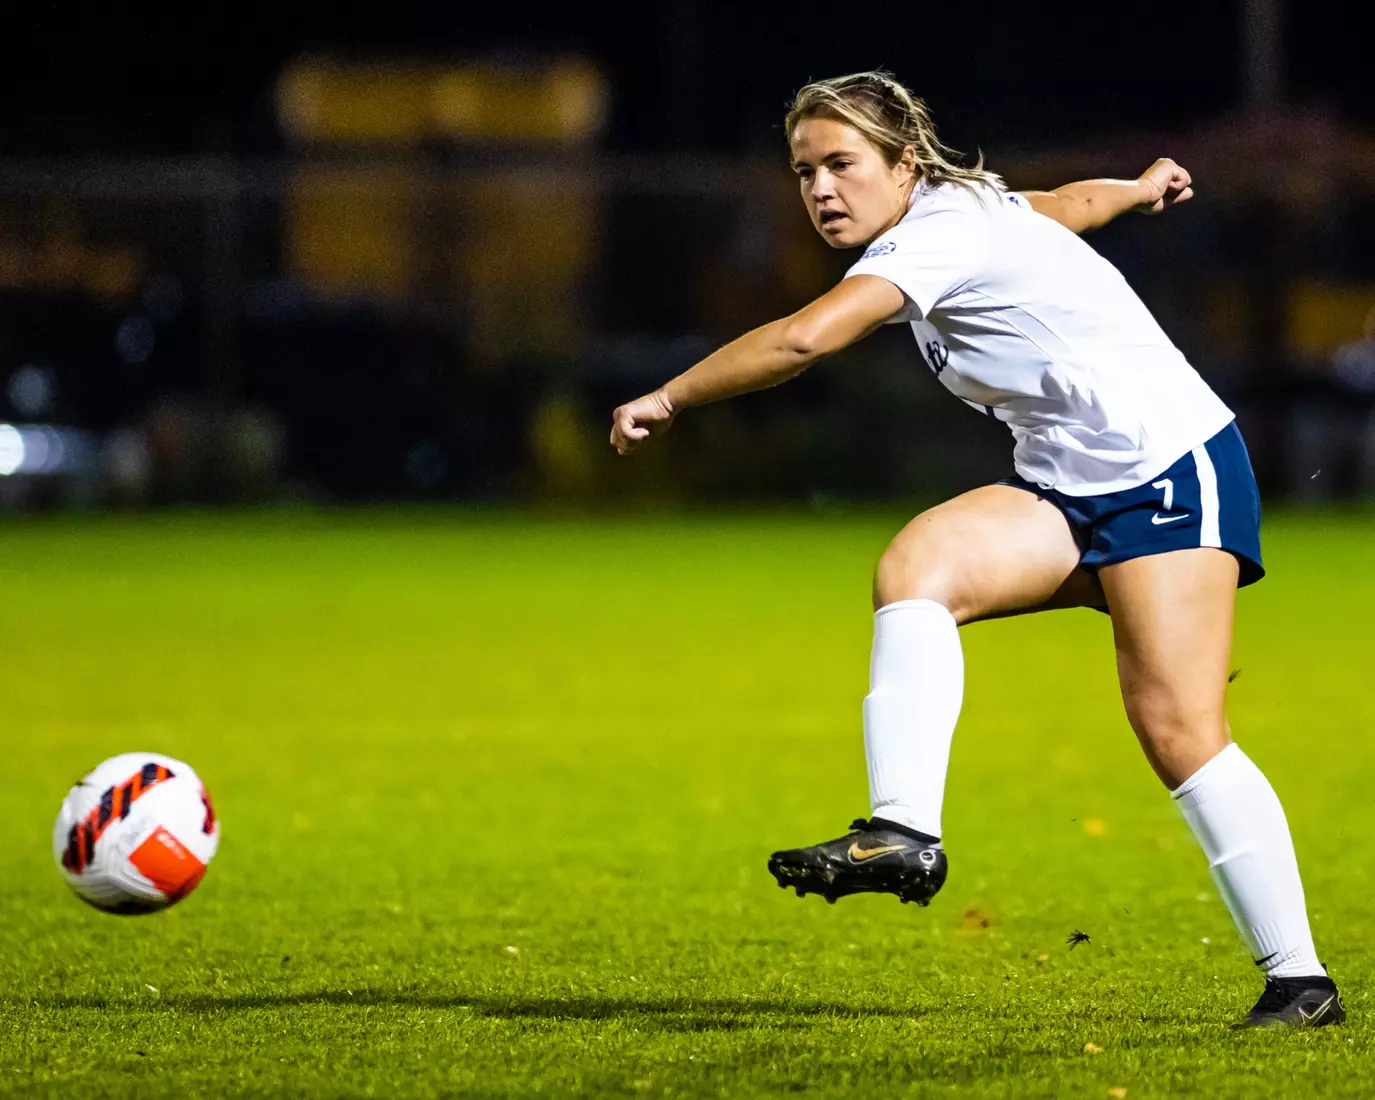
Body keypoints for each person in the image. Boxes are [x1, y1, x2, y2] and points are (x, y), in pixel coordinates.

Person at [608, 71, 1341, 1028]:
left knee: (1177, 731)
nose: (821, 189)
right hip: (1064, 486)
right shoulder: (967, 207)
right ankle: (904, 830)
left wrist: (669, 396)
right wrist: (1137, 188)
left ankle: (1300, 983)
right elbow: (1061, 206)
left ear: (901, 165)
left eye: (841, 164)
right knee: (919, 566)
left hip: (1169, 472)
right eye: (803, 172)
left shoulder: (937, 233)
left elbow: (804, 340)